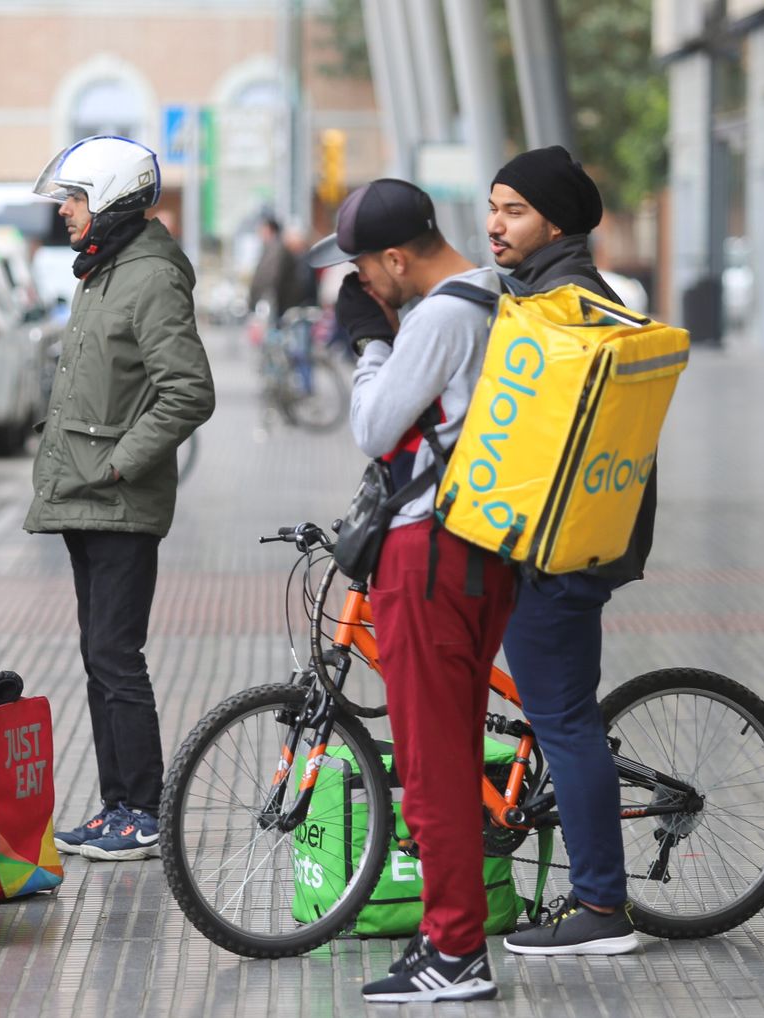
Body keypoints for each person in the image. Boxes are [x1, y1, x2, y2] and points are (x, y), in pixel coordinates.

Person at [308, 179, 515, 1003]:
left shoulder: (436, 318)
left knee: (430, 764)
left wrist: (369, 344)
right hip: (480, 549)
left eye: (364, 268)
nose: (360, 284)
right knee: (452, 753)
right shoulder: (494, 294)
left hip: (429, 554)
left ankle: (455, 950)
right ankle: (450, 938)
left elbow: (372, 426)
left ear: (397, 257)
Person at [29, 136, 215, 863]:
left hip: (116, 502)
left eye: (74, 200)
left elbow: (188, 390)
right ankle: (118, 806)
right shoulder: (104, 272)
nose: (66, 213)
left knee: (116, 655)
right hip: (88, 498)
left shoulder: (149, 278)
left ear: (109, 199)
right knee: (99, 655)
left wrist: (116, 466)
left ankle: (142, 811)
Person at [482, 146, 644, 956]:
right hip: (557, 541)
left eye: (512, 210)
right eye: (493, 207)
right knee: (556, 712)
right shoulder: (549, 293)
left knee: (564, 719)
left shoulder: (568, 304)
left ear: (554, 221)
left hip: (561, 549)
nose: (494, 224)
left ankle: (602, 911)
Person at [247, 214, 305, 324]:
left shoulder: (277, 249)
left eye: (262, 229)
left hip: (276, 305)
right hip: (272, 304)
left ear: (269, 229)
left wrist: (260, 299)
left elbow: (271, 277)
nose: (259, 233)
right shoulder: (271, 248)